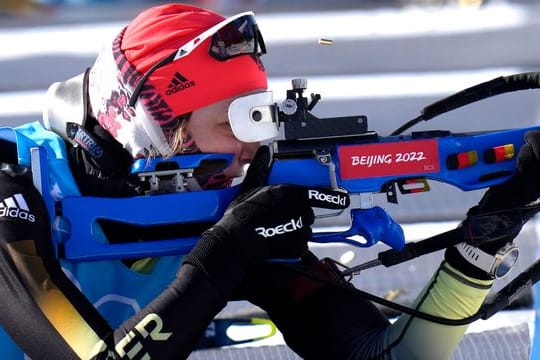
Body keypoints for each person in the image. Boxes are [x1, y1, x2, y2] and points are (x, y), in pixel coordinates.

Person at [0, 3, 539, 359]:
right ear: (156, 127)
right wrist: (223, 256)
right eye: (230, 123)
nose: (251, 148)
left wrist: (482, 243)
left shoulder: (223, 200)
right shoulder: (15, 185)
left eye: (257, 120)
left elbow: (386, 355)